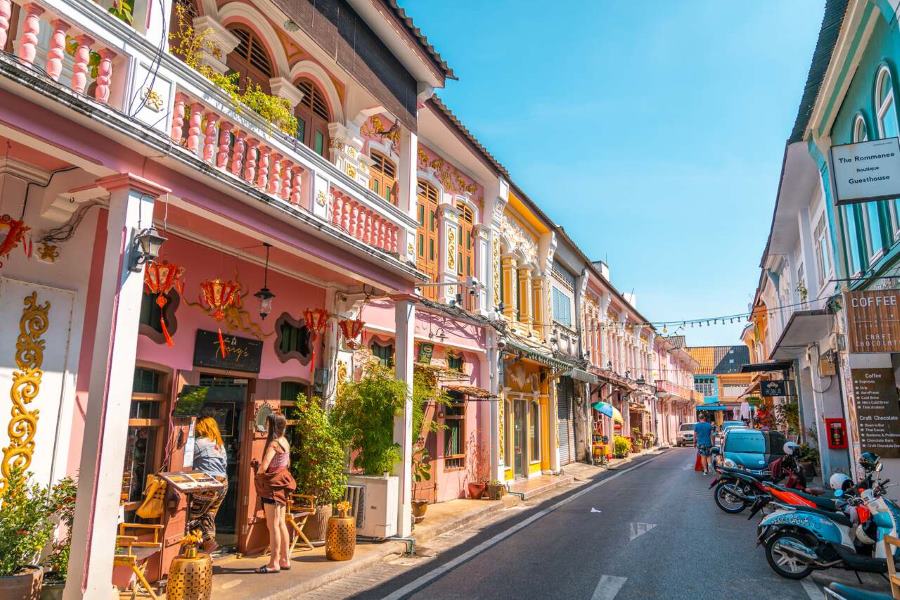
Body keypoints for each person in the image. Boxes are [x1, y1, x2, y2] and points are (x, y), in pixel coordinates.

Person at [252, 413, 296, 574]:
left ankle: (273, 563)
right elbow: (288, 463)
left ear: (272, 427)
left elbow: (264, 467)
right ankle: (285, 559)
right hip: (282, 486)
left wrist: (257, 472)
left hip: (272, 487)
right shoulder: (285, 442)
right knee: (281, 523)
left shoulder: (274, 444)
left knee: (273, 525)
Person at [192, 411, 228, 553]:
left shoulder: (199, 443)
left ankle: (207, 542)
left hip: (208, 483)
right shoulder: (219, 444)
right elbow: (224, 464)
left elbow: (185, 456)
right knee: (209, 515)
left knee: (191, 515)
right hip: (222, 484)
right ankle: (208, 549)